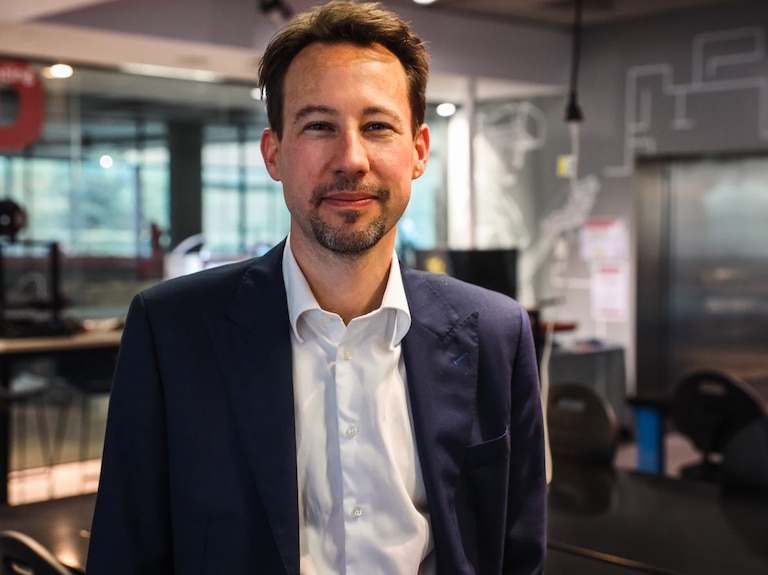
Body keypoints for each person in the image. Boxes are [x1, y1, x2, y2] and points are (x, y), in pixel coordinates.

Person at [86, 2, 547, 573]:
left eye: (377, 126)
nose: (351, 159)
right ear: (274, 153)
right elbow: (124, 552)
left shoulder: (497, 333)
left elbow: (517, 548)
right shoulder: (171, 330)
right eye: (319, 125)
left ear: (419, 151)